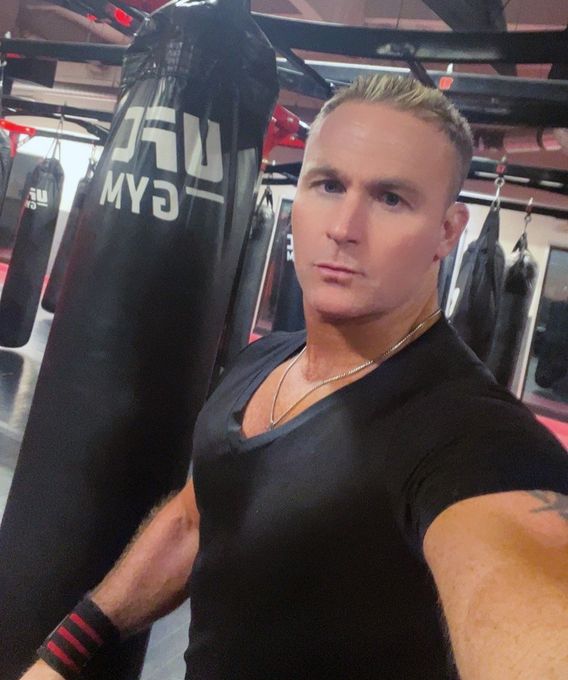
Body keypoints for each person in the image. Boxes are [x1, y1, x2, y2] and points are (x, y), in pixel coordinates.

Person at [21, 74, 568, 680]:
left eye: (391, 198)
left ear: (447, 232)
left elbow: (527, 593)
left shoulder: (471, 435)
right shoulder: (262, 364)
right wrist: (61, 656)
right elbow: (194, 521)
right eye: (329, 185)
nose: (345, 227)